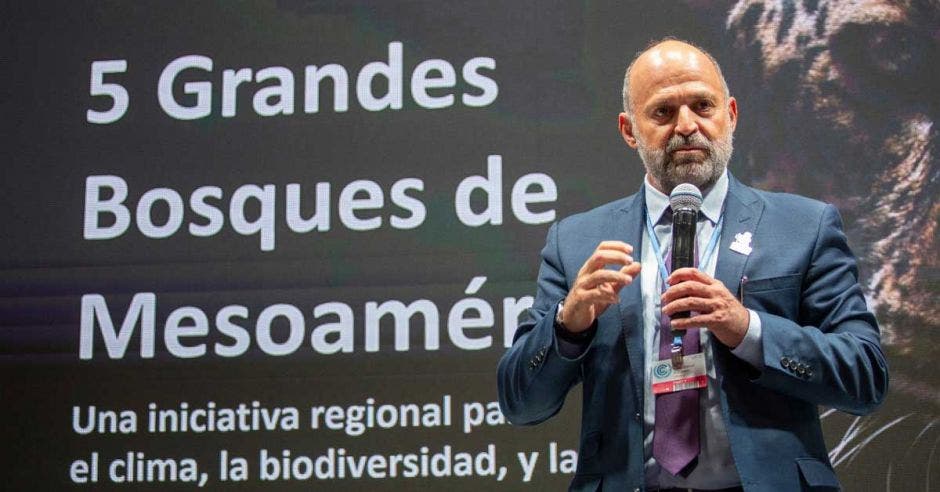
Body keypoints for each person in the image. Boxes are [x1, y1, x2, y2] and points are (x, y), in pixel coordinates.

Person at [496, 38, 888, 492]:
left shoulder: (804, 226)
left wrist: (747, 329)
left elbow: (865, 376)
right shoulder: (577, 241)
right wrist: (567, 325)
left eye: (703, 105)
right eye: (663, 112)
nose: (687, 126)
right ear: (629, 130)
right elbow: (521, 404)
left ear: (731, 114)